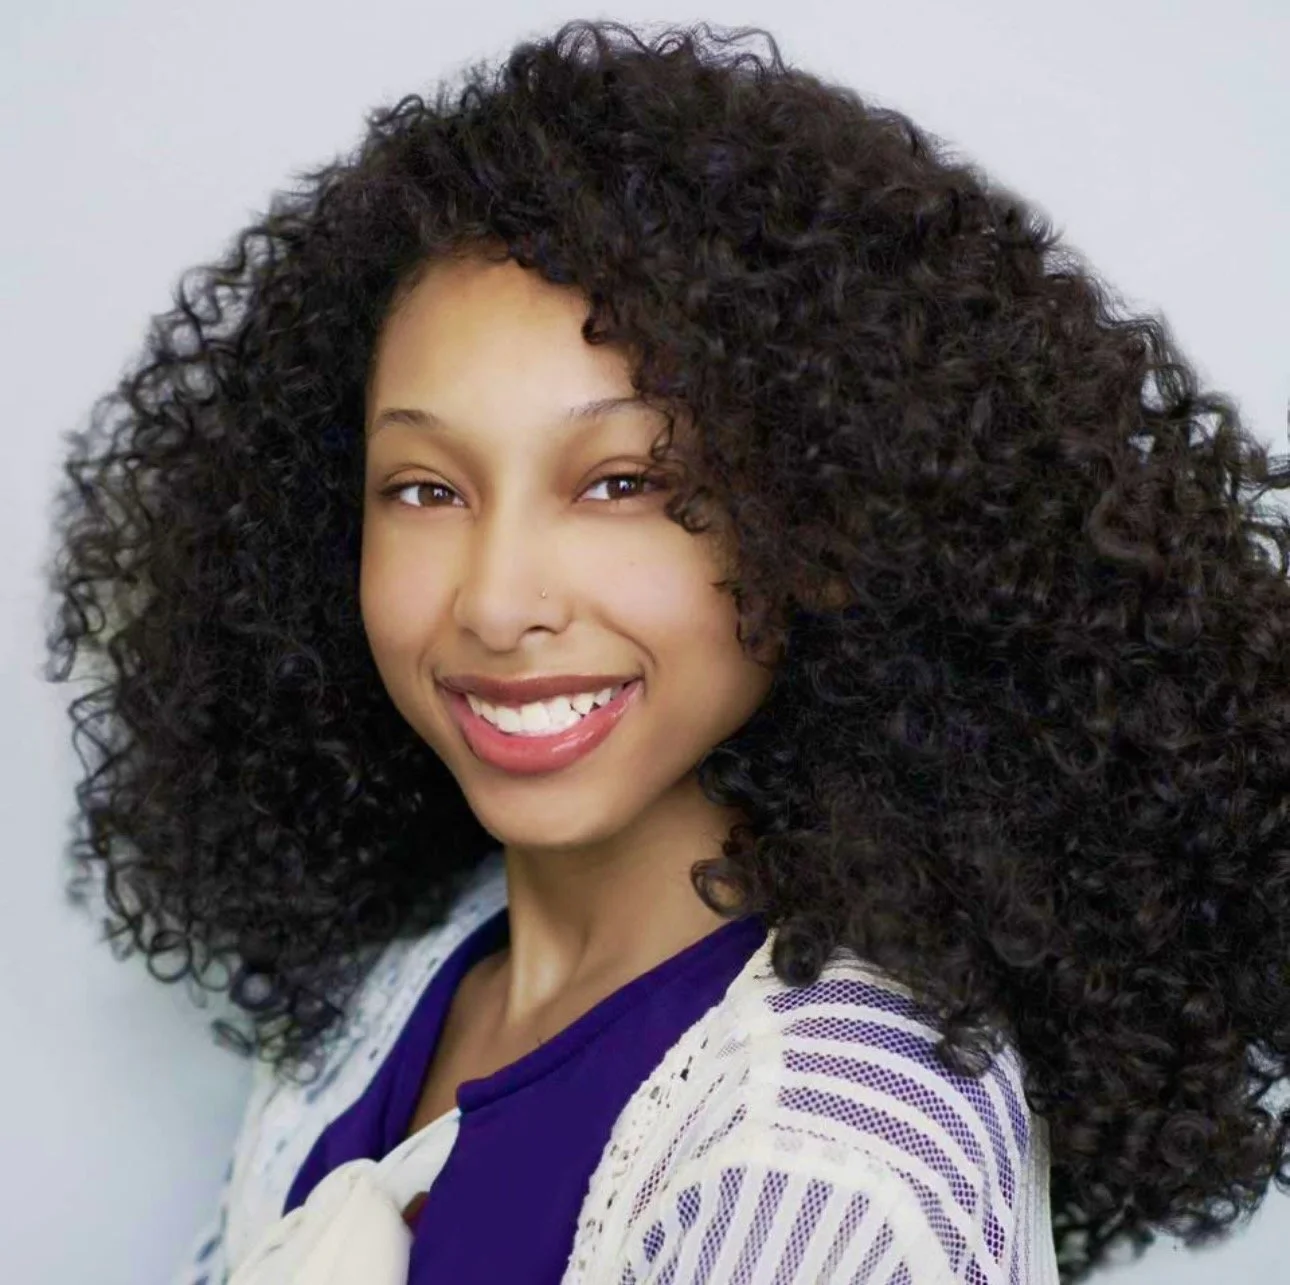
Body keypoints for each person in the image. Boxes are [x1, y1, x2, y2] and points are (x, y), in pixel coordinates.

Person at [41, 17, 1290, 1285]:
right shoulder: (400, 989)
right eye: (424, 488)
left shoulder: (822, 1172)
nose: (497, 603)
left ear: (823, 522)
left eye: (622, 481)